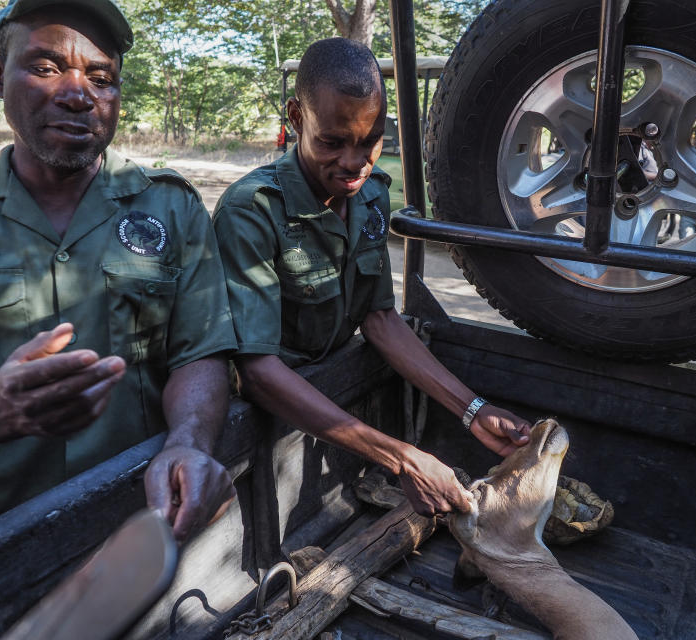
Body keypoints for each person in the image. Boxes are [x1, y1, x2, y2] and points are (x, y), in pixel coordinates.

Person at [0, 0, 237, 542]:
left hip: (148, 519)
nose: (77, 93)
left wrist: (188, 440)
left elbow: (200, 354)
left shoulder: (172, 209)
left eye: (101, 77)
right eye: (45, 68)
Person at [212, 38, 532, 517]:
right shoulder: (252, 211)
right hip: (278, 413)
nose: (355, 163)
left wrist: (472, 410)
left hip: (336, 401)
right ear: (297, 119)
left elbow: (379, 317)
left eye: (370, 141)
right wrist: (401, 459)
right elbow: (257, 374)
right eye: (332, 142)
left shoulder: (372, 197)